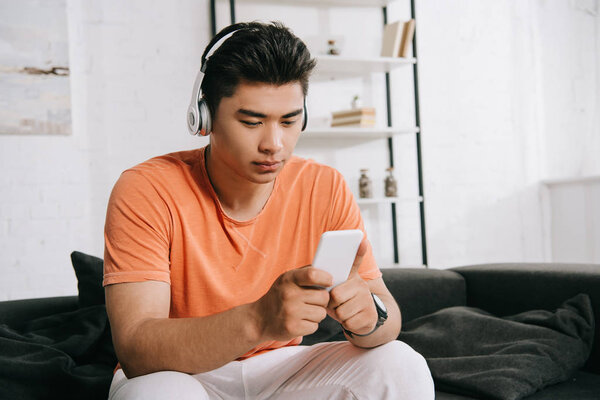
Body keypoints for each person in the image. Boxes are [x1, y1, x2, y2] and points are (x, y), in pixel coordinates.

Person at [103, 21, 434, 399]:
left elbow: (386, 318)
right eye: (251, 122)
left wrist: (368, 318)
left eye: (290, 120)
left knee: (401, 364)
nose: (274, 144)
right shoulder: (147, 188)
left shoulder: (323, 186)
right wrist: (258, 320)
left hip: (279, 371)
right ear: (204, 117)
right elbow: (135, 348)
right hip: (179, 372)